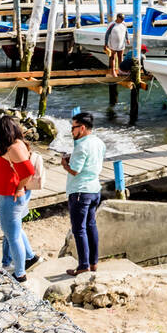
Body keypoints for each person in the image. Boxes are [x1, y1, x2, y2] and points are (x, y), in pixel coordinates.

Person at [0, 115, 38, 282]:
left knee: (12, 235)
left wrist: (19, 188)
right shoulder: (16, 144)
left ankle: (20, 273)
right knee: (15, 230)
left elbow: (28, 171)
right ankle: (30, 257)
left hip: (11, 196)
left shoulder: (14, 148)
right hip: (8, 195)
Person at [61, 111, 105, 276]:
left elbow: (75, 170)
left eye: (73, 128)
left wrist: (65, 164)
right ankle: (93, 263)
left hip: (80, 191)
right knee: (91, 226)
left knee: (79, 229)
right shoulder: (99, 142)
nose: (72, 131)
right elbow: (92, 161)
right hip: (95, 189)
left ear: (83, 128)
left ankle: (83, 265)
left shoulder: (81, 145)